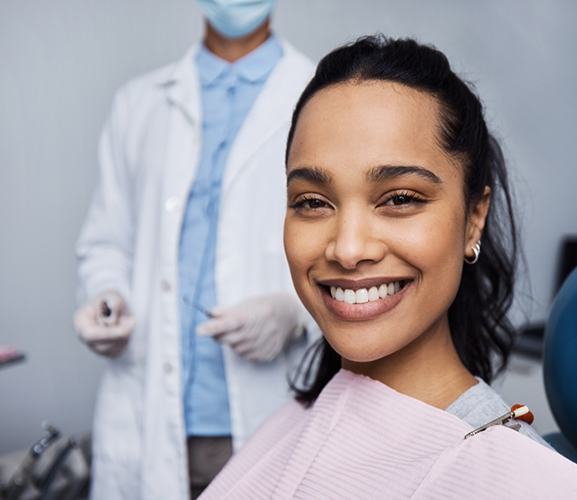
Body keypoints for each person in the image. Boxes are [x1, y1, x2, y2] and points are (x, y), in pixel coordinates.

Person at [200, 36, 577, 498]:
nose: (348, 248)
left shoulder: (523, 481)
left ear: (473, 218)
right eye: (313, 202)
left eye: (400, 199)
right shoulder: (290, 423)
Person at [73, 1, 317, 499]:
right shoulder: (139, 103)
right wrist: (107, 296)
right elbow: (106, 241)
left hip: (264, 414)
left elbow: (349, 244)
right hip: (147, 414)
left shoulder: (319, 96)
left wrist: (296, 313)